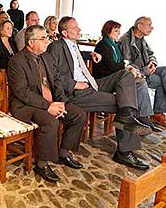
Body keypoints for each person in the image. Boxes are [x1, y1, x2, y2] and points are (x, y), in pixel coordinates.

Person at [47, 16, 151, 170]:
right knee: (124, 104)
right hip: (76, 92)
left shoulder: (72, 45)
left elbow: (74, 56)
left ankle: (127, 116)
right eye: (75, 27)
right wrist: (75, 83)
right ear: (64, 32)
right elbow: (53, 73)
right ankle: (124, 151)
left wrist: (90, 55)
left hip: (92, 83)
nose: (79, 29)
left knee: (126, 75)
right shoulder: (55, 47)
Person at [8, 25, 87, 182]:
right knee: (51, 122)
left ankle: (63, 152)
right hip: (27, 105)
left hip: (51, 100)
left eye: (47, 37)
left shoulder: (47, 57)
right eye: (43, 38)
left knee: (78, 114)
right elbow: (22, 92)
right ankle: (41, 164)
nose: (47, 41)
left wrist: (61, 102)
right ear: (31, 42)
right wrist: (48, 106)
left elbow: (56, 81)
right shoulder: (16, 61)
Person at [93, 20, 160, 132]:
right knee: (138, 83)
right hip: (107, 79)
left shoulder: (113, 44)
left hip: (123, 75)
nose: (119, 32)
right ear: (108, 31)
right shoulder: (104, 44)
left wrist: (152, 63)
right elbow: (114, 66)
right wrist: (132, 68)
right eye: (116, 30)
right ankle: (139, 116)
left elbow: (149, 54)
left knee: (162, 76)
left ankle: (143, 115)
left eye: (119, 30)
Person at [119, 16, 166, 127]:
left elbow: (151, 54)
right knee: (159, 81)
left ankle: (158, 113)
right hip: (137, 74)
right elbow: (127, 64)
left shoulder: (142, 40)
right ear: (139, 26)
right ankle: (157, 113)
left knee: (164, 71)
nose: (152, 28)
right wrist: (145, 70)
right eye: (149, 25)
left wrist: (153, 63)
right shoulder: (126, 39)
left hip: (147, 71)